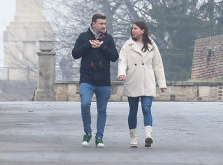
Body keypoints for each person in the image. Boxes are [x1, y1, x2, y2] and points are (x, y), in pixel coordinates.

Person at [71, 13, 119, 148]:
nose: (104, 26)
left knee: (102, 109)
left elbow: (115, 56)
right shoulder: (83, 37)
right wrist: (88, 45)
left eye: (105, 24)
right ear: (93, 24)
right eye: (101, 24)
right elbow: (75, 54)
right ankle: (87, 132)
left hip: (103, 80)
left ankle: (99, 136)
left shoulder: (108, 39)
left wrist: (102, 46)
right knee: (85, 104)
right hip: (87, 79)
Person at [117, 20, 167, 148]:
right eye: (132, 28)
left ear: (143, 30)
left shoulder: (152, 45)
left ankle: (148, 135)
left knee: (146, 108)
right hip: (133, 80)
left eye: (135, 28)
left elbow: (158, 65)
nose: (133, 30)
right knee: (133, 110)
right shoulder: (127, 45)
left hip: (147, 80)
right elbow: (122, 61)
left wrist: (162, 84)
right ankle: (133, 137)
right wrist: (122, 73)